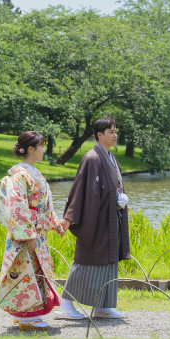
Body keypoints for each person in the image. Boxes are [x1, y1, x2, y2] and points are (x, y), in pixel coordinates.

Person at [57, 116, 130, 319]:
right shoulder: (92, 158)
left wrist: (119, 199)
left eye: (116, 131)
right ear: (100, 135)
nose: (115, 135)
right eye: (111, 132)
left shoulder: (111, 157)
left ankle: (102, 306)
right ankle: (66, 303)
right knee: (87, 259)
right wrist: (69, 218)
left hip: (110, 218)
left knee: (109, 260)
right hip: (95, 220)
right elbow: (81, 190)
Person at [0, 131, 67, 331]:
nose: (44, 150)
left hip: (37, 234)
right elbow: (18, 206)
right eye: (42, 147)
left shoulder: (33, 174)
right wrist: (28, 235)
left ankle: (28, 315)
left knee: (37, 272)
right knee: (27, 273)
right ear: (31, 149)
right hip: (26, 236)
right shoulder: (21, 176)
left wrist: (55, 223)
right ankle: (27, 316)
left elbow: (44, 205)